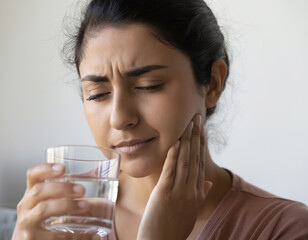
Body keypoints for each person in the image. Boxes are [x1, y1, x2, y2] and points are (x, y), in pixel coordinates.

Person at [12, 0, 308, 239]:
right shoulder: (67, 217)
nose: (119, 118)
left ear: (213, 84)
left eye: (147, 86)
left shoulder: (284, 229)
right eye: (98, 93)